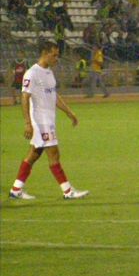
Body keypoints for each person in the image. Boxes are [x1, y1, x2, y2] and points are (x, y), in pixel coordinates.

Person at [8, 41, 89, 201]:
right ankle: (68, 191)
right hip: (40, 122)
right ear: (45, 53)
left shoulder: (49, 72)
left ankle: (16, 189)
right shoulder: (32, 73)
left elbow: (54, 96)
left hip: (48, 120)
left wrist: (69, 112)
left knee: (34, 154)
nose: (56, 58)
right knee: (54, 154)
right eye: (54, 55)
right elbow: (25, 97)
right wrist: (28, 123)